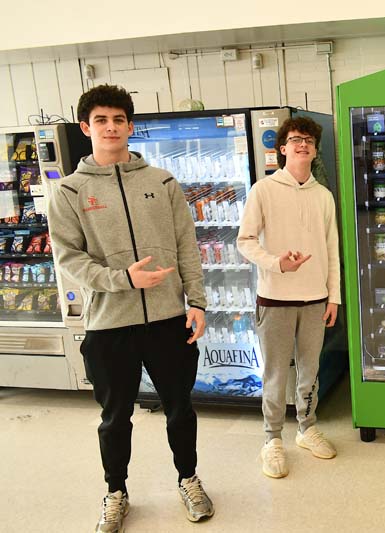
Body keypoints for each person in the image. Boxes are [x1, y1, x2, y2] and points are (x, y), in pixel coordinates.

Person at [48, 84, 214, 532]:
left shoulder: (162, 182)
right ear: (86, 128)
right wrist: (123, 279)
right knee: (114, 418)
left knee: (180, 407)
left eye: (118, 119)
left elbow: (186, 245)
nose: (111, 127)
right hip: (108, 324)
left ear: (130, 126)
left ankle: (188, 478)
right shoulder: (69, 191)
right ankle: (115, 492)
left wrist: (197, 301)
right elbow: (69, 259)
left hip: (167, 319)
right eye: (101, 120)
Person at [237, 116, 340, 479]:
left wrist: (334, 297)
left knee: (309, 372)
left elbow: (332, 248)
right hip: (274, 298)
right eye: (295, 139)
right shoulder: (263, 190)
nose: (302, 144)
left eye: (309, 140)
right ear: (282, 148)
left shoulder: (323, 195)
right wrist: (276, 263)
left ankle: (306, 428)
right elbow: (245, 241)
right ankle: (272, 439)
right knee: (276, 374)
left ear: (315, 149)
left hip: (315, 299)